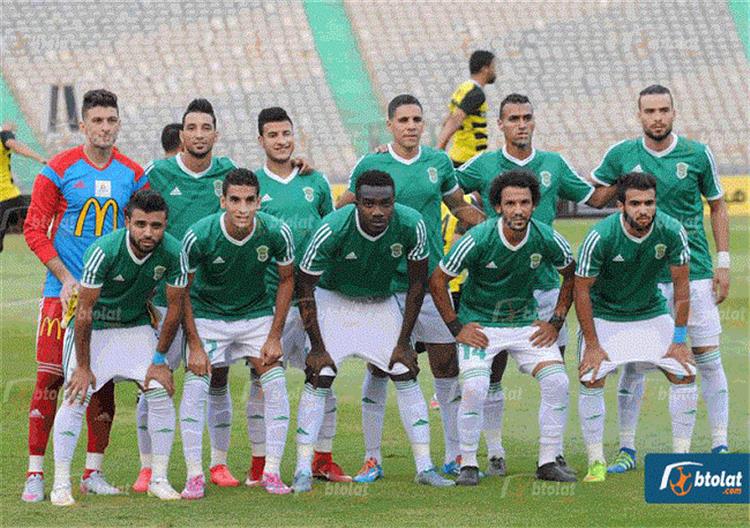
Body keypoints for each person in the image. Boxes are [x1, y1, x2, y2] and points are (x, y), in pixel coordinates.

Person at [455, 93, 614, 475]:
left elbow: (595, 198)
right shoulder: (484, 164)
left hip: (546, 288)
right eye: (513, 118)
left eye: (527, 117)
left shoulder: (553, 164)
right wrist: (480, 223)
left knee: (553, 370)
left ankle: (552, 454)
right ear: (501, 124)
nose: (521, 124)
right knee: (491, 374)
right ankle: (494, 451)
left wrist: (625, 171)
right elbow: (448, 189)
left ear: (534, 121)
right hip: (497, 288)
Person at [337, 95, 485, 479]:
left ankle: (455, 454)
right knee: (380, 366)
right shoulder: (371, 164)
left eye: (417, 119)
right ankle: (372, 457)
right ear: (390, 125)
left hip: (432, 281)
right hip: (385, 284)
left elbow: (458, 207)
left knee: (446, 364)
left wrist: (491, 227)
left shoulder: (438, 163)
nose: (411, 126)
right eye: (403, 120)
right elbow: (343, 207)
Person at [591, 84, 730, 473]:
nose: (657, 117)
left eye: (663, 110)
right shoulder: (621, 154)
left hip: (694, 271)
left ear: (673, 112)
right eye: (649, 111)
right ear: (639, 115)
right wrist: (618, 184)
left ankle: (719, 444)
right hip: (644, 277)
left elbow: (718, 206)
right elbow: (597, 198)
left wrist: (723, 262)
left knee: (706, 358)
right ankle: (627, 449)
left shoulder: (697, 154)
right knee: (635, 363)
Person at [292, 170, 454, 492]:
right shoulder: (332, 228)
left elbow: (417, 284)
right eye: (368, 204)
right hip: (334, 300)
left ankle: (425, 467)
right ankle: (302, 470)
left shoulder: (411, 224)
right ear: (357, 203)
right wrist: (317, 347)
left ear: (394, 202)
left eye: (385, 203)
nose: (377, 211)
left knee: (404, 370)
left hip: (379, 302)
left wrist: (404, 342)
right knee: (320, 375)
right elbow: (304, 287)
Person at [22, 89, 147, 502]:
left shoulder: (133, 174)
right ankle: (35, 473)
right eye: (97, 121)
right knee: (49, 379)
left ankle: (93, 471)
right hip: (62, 293)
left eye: (111, 120)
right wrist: (64, 277)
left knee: (102, 382)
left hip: (109, 299)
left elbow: (145, 229)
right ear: (83, 125)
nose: (105, 128)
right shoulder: (58, 169)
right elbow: (34, 229)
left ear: (118, 124)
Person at [430, 169, 576, 485]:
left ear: (534, 205)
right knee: (474, 387)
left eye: (525, 202)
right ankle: (468, 463)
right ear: (498, 207)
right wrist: (456, 327)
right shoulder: (478, 238)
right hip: (481, 326)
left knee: (558, 381)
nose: (518, 210)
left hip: (525, 324)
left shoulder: (546, 237)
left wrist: (556, 321)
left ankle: (548, 461)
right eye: (510, 203)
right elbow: (438, 279)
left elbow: (571, 273)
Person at [50, 189, 187, 505]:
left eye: (156, 225)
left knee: (159, 390)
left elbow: (175, 309)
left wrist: (159, 360)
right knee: (76, 395)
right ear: (127, 221)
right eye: (140, 224)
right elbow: (84, 312)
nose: (148, 232)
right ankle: (60, 484)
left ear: (165, 225)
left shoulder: (174, 252)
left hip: (135, 327)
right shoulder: (104, 251)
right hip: (94, 329)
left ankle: (159, 479)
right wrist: (84, 367)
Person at [135, 99, 238, 491]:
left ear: (216, 133)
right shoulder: (158, 174)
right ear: (181, 135)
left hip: (211, 300)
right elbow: (134, 221)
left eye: (205, 127)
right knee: (153, 383)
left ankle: (218, 463)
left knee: (216, 379)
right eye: (191, 128)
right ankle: (148, 467)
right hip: (164, 298)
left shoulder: (228, 174)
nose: (199, 135)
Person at [248, 107, 350, 485]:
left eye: (286, 134)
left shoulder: (316, 181)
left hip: (314, 299)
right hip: (268, 301)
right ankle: (259, 464)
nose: (281, 141)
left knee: (323, 375)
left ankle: (322, 458)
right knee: (262, 383)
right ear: (261, 140)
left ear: (295, 136)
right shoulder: (252, 185)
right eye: (273, 135)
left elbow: (330, 233)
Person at [179, 168, 296, 497]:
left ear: (259, 201)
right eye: (235, 200)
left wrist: (274, 336)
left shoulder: (276, 231)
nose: (242, 208)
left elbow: (287, 279)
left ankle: (272, 472)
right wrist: (195, 344)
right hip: (208, 317)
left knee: (276, 386)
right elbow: (181, 290)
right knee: (195, 389)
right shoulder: (199, 235)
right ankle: (194, 476)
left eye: (249, 200)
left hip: (256, 317)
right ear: (223, 201)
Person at [575, 172, 696, 482]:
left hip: (649, 312)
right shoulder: (600, 236)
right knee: (591, 376)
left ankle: (681, 460)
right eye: (636, 204)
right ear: (621, 206)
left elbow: (682, 289)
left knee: (685, 372)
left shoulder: (672, 230)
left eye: (649, 203)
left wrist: (679, 339)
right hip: (605, 314)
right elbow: (582, 291)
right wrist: (592, 345)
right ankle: (597, 461)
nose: (644, 210)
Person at [437, 50, 496, 167]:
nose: (494, 71)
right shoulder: (476, 93)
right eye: (493, 67)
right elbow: (455, 119)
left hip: (459, 155)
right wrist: (439, 150)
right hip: (470, 158)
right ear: (485, 69)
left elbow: (447, 121)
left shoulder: (463, 88)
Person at [0, 122, 46, 252]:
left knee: (39, 225)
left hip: (8, 198)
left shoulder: (4, 136)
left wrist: (40, 158)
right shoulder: (4, 135)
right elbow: (16, 146)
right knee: (39, 224)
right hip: (10, 199)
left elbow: (16, 146)